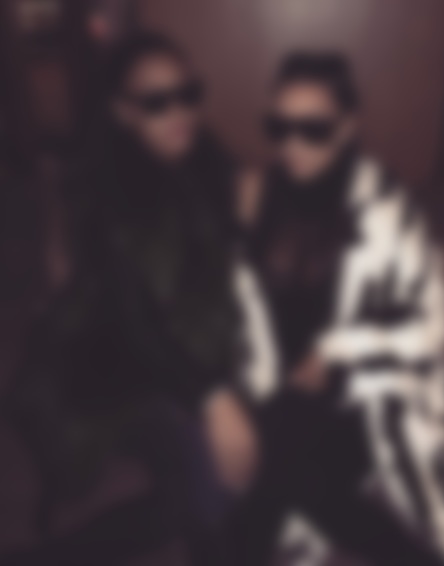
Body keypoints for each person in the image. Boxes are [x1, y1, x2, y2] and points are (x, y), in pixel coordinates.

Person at [2, 33, 256, 566]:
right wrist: (213, 396)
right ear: (123, 112)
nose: (179, 112)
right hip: (115, 362)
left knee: (199, 496)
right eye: (156, 101)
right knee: (202, 488)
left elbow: (223, 265)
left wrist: (247, 215)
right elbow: (139, 327)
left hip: (185, 345)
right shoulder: (114, 198)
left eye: (188, 93)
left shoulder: (207, 162)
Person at [232, 52, 444, 565]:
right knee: (293, 478)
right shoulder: (259, 192)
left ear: (349, 125)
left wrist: (336, 349)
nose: (292, 145)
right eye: (279, 127)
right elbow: (241, 303)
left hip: (361, 387)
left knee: (272, 474)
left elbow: (435, 323)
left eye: (313, 129)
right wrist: (240, 231)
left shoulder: (385, 206)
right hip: (277, 384)